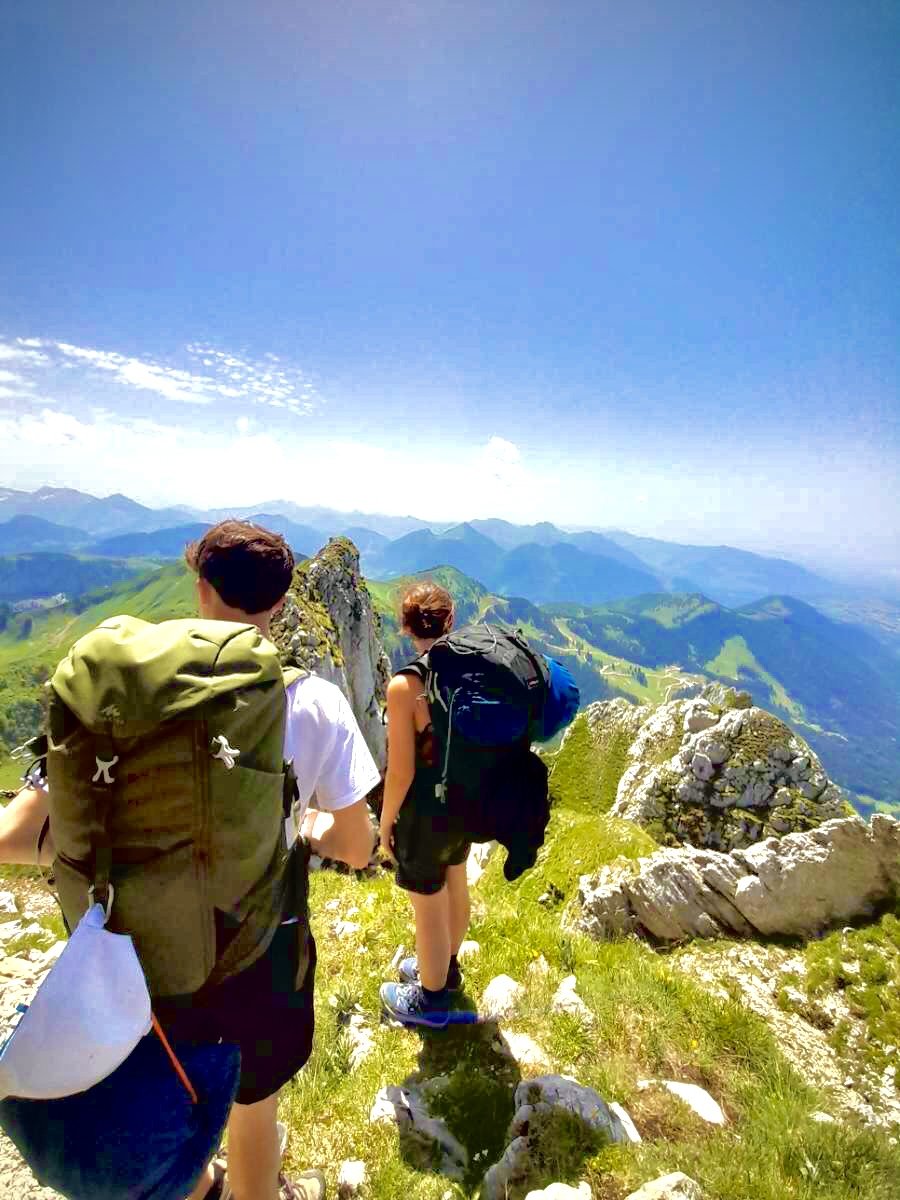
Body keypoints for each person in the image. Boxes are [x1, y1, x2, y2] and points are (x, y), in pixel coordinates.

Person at [0, 520, 381, 1200]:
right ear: (282, 603)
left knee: (158, 1077)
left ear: (200, 586)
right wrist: (311, 822)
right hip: (252, 952)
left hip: (123, 950)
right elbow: (358, 846)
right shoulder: (313, 701)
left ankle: (196, 1187)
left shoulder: (112, 695)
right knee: (251, 1100)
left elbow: (15, 837)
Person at [377, 583, 472, 1030]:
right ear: (450, 621)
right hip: (465, 803)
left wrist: (385, 823)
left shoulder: (405, 686)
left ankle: (431, 1002)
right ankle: (446, 970)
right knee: (456, 881)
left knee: (428, 904)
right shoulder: (472, 670)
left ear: (406, 626)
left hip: (424, 813)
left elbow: (401, 772)